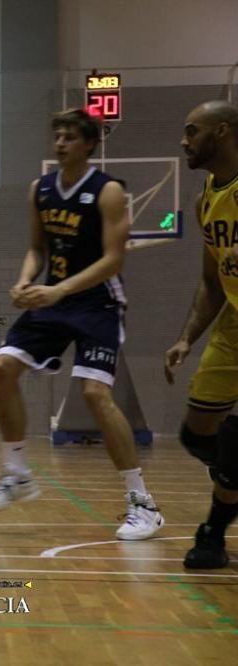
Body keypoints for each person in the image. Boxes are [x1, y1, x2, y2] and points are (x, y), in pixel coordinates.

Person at [0, 109, 164, 541]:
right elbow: (36, 249)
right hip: (53, 300)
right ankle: (17, 473)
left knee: (95, 393)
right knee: (2, 367)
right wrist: (24, 279)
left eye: (69, 137)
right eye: (56, 135)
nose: (59, 143)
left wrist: (59, 291)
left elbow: (114, 259)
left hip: (98, 302)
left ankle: (142, 504)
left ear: (88, 144)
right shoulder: (39, 190)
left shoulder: (108, 191)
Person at [164, 100, 238, 568]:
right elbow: (212, 282)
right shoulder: (206, 198)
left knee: (233, 443)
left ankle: (212, 532)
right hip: (233, 323)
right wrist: (186, 337)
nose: (184, 140)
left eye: (192, 131)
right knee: (198, 434)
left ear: (223, 132)